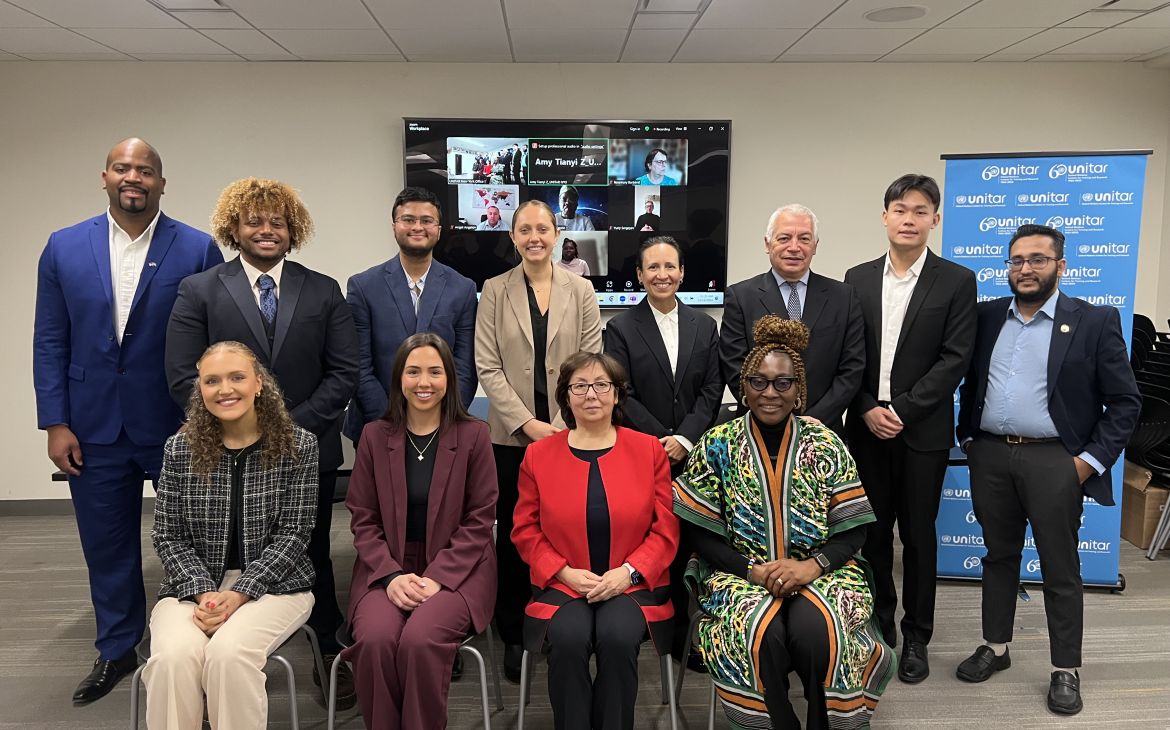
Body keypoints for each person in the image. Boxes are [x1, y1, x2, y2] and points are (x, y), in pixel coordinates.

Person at [32, 137, 223, 705]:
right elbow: (49, 339)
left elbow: (216, 341)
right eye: (123, 168)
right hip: (90, 427)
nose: (133, 177)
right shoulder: (64, 247)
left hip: (176, 423)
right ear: (105, 177)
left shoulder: (195, 247)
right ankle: (117, 647)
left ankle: (195, 644)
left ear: (162, 182)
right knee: (107, 543)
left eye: (145, 170)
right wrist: (54, 422)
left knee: (197, 540)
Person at [164, 177, 359, 706]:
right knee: (220, 548)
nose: (267, 229)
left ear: (293, 230)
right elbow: (185, 376)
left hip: (306, 448)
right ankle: (212, 653)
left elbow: (343, 373)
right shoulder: (199, 290)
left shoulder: (322, 289)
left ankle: (324, 647)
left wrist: (287, 432)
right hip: (220, 455)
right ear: (234, 228)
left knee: (309, 549)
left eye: (277, 221)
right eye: (254, 220)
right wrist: (238, 429)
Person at [675, 315, 894, 729]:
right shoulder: (717, 443)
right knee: (761, 635)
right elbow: (699, 531)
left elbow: (855, 528)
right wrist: (753, 572)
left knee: (820, 633)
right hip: (738, 574)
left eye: (782, 383)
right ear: (744, 386)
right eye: (758, 381)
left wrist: (811, 567)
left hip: (823, 571)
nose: (770, 393)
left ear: (799, 389)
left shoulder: (825, 441)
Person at [955, 224, 1139, 715]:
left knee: (1060, 566)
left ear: (1061, 266)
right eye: (1017, 260)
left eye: (1037, 259)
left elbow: (1124, 402)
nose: (1025, 269)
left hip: (1057, 461)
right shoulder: (987, 316)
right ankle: (996, 646)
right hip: (991, 454)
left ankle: (1066, 668)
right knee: (998, 556)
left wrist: (1087, 463)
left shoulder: (1094, 320)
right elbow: (969, 381)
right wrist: (968, 438)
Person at [843, 174, 977, 682]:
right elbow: (847, 356)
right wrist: (865, 408)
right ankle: (881, 626)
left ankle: (918, 634)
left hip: (920, 431)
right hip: (865, 428)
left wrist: (901, 408)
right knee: (872, 533)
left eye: (920, 211)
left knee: (918, 535)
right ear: (884, 217)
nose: (909, 219)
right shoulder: (856, 278)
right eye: (900, 209)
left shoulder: (957, 281)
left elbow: (955, 359)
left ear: (935, 220)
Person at [143, 341, 317, 730]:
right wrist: (205, 591)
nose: (225, 389)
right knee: (173, 658)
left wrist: (240, 593)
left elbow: (294, 534)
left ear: (259, 384)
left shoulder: (299, 446)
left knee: (229, 655)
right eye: (212, 380)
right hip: (192, 586)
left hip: (277, 586)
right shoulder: (179, 450)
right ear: (200, 390)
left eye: (237, 377)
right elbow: (167, 535)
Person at [512, 351, 678, 730]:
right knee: (568, 641)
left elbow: (665, 528)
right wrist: (564, 572)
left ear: (617, 395)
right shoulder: (538, 455)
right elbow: (524, 529)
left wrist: (629, 573)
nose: (592, 394)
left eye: (602, 385)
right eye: (580, 386)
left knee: (618, 638)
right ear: (566, 396)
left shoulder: (649, 449)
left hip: (633, 585)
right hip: (562, 584)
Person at [475, 199, 603, 681]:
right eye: (524, 229)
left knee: (567, 533)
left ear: (556, 233)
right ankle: (515, 632)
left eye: (542, 229)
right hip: (511, 438)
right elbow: (487, 365)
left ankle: (563, 623)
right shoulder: (493, 289)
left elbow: (591, 361)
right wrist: (529, 424)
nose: (534, 237)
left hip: (571, 436)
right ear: (513, 237)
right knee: (514, 535)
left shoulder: (582, 288)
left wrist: (560, 423)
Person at [345, 333, 497, 730]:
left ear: (450, 378)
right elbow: (362, 516)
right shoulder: (375, 437)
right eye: (413, 372)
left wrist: (438, 578)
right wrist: (391, 575)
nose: (423, 382)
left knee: (419, 641)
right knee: (376, 641)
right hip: (387, 566)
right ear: (399, 379)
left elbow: (480, 518)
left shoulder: (474, 435)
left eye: (434, 371)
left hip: (457, 569)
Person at [604, 235, 722, 660]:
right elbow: (622, 393)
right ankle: (644, 623)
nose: (662, 275)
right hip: (641, 454)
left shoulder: (705, 325)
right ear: (639, 275)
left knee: (690, 544)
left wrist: (684, 438)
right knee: (646, 540)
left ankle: (687, 635)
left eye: (669, 266)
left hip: (693, 459)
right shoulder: (619, 328)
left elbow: (712, 390)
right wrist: (659, 441)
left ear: (682, 272)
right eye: (652, 268)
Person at [346, 187, 478, 444]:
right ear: (394, 226)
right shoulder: (363, 286)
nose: (418, 227)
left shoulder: (462, 289)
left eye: (427, 220)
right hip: (376, 425)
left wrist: (442, 418)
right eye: (408, 219)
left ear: (439, 229)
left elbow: (465, 366)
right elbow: (358, 365)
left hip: (443, 427)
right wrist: (389, 421)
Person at [719, 203, 865, 436]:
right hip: (759, 431)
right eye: (784, 238)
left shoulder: (843, 297)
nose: (794, 247)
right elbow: (734, 366)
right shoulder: (740, 296)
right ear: (767, 244)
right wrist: (774, 415)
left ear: (815, 246)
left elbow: (852, 368)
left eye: (805, 239)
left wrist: (815, 418)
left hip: (823, 430)